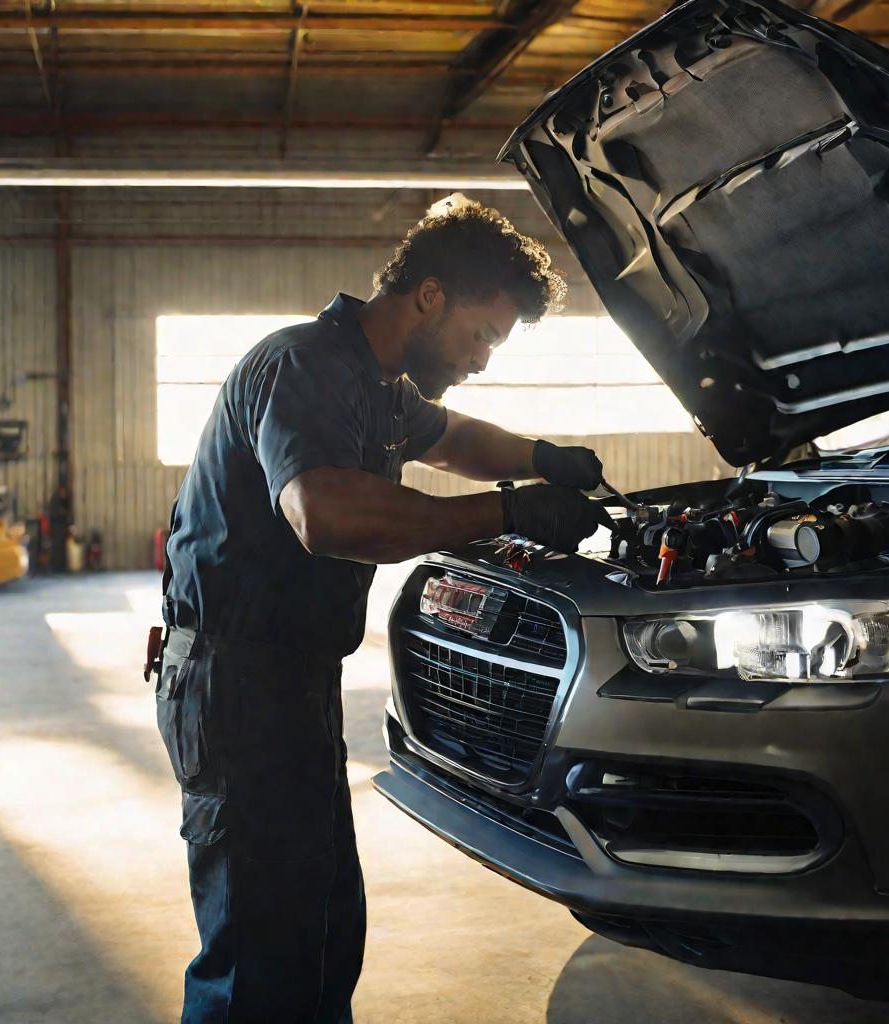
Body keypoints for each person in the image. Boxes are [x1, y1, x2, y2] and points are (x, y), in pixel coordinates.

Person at [155, 197, 607, 1024]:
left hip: (293, 680)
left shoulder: (380, 387)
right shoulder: (304, 365)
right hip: (234, 680)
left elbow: (455, 438)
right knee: (259, 954)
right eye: (482, 336)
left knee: (323, 930)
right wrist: (510, 512)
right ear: (429, 297)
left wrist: (543, 457)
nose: (480, 361)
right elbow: (327, 517)